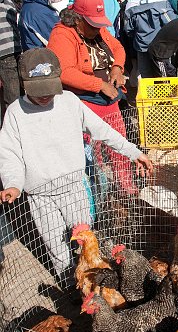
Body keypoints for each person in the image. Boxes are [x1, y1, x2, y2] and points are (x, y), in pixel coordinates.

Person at [0, 48, 152, 284]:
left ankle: (89, 278)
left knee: (85, 236)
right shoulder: (15, 113)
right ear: (24, 82)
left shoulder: (69, 102)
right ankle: (69, 281)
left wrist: (133, 152)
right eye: (38, 90)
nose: (45, 96)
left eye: (49, 89)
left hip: (74, 187)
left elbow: (103, 131)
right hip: (41, 194)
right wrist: (13, 184)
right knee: (55, 244)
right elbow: (9, 154)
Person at [47, 0, 134, 193]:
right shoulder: (62, 35)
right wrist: (99, 85)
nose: (97, 28)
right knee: (93, 154)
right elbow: (64, 72)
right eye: (92, 24)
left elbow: (118, 48)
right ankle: (101, 196)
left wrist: (117, 68)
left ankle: (125, 187)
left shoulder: (99, 31)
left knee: (118, 144)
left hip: (109, 101)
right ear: (77, 20)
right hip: (85, 102)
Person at [124, 0, 176, 78]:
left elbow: (128, 29)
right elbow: (171, 23)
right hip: (161, 48)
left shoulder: (131, 3)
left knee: (146, 79)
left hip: (142, 47)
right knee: (164, 77)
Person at [0, 0, 22, 122]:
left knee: (12, 97)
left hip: (5, 52)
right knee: (13, 95)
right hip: (12, 49)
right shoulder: (6, 0)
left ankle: (12, 127)